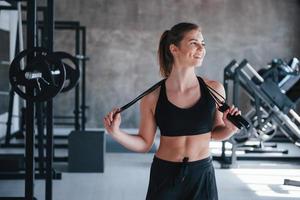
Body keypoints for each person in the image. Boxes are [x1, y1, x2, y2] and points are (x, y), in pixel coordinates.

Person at [103, 22, 241, 200]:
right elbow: (145, 143)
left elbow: (215, 133)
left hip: (201, 175)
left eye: (203, 44)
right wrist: (116, 133)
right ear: (174, 49)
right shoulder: (152, 97)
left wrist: (230, 128)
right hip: (165, 175)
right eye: (194, 43)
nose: (201, 49)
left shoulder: (214, 90)